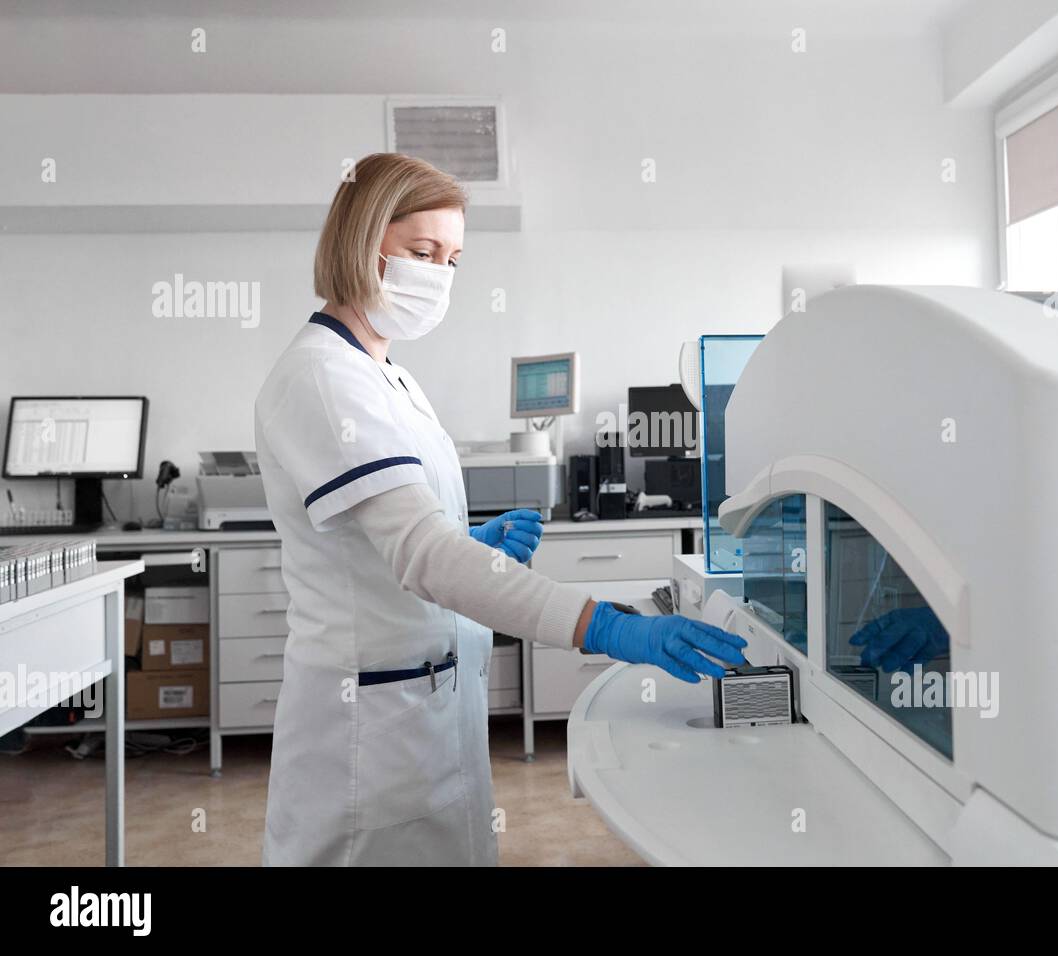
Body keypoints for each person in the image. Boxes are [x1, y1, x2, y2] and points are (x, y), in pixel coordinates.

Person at [255, 153, 747, 866]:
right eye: (423, 252)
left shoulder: (387, 375)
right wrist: (604, 627)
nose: (439, 276)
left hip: (426, 710)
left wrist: (466, 539)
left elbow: (400, 537)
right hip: (370, 740)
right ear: (361, 240)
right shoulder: (323, 378)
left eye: (452, 259)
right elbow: (424, 555)